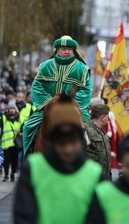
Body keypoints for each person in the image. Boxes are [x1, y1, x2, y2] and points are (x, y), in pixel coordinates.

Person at [14, 93, 103, 224]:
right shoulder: (31, 169)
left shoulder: (95, 174)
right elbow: (24, 216)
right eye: (61, 143)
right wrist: (47, 100)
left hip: (75, 105)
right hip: (48, 106)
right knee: (28, 127)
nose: (67, 149)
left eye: (72, 142)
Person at [23, 35, 93, 155]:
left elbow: (86, 90)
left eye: (69, 49)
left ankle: (92, 159)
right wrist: (50, 103)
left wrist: (72, 105)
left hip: (74, 109)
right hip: (47, 107)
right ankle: (29, 159)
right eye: (63, 48)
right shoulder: (45, 66)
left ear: (73, 50)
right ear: (57, 50)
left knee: (92, 132)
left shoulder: (82, 69)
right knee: (28, 127)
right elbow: (37, 86)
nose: (66, 51)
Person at [85, 103, 112, 180]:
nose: (108, 118)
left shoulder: (101, 132)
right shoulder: (86, 130)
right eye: (107, 116)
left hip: (104, 177)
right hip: (91, 178)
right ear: (103, 118)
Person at [1, 103, 23, 182]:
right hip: (6, 144)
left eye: (13, 108)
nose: (11, 110)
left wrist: (20, 130)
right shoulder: (4, 118)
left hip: (16, 143)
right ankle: (6, 175)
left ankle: (12, 174)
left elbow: (23, 128)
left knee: (14, 160)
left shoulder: (19, 118)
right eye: (10, 108)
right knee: (6, 159)